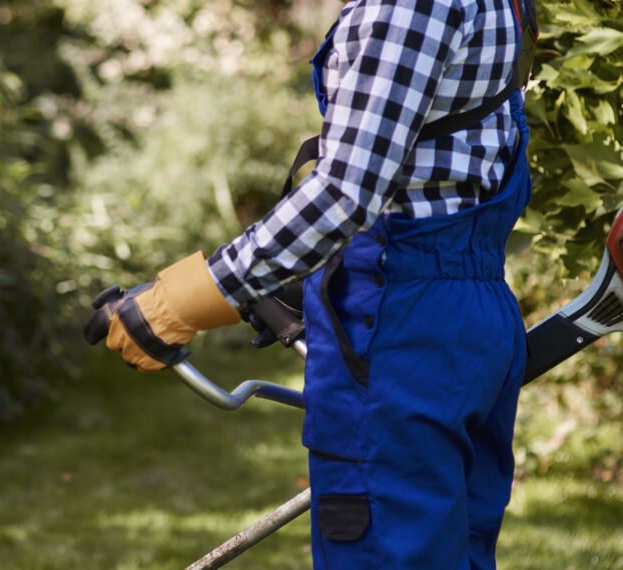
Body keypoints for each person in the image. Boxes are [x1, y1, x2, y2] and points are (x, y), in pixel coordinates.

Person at [86, 0, 537, 566]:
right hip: (467, 308)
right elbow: (450, 159)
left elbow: (347, 191)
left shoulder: (405, 7)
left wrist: (184, 300)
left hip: (398, 329)